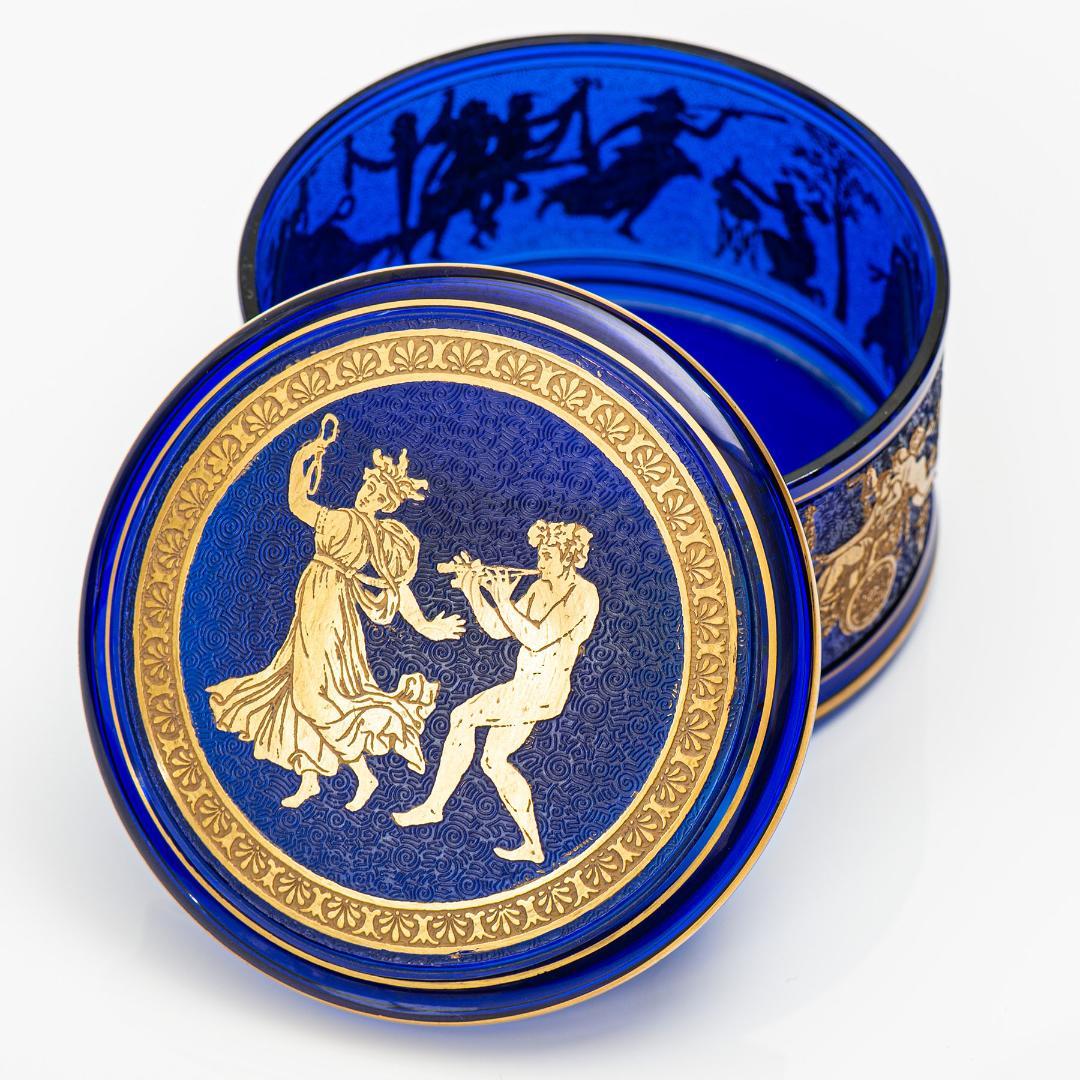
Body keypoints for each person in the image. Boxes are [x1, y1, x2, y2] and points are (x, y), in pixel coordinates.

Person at [208, 433, 463, 811]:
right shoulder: (353, 523)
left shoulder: (356, 526)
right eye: (368, 486)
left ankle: (365, 773)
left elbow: (300, 504)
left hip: (330, 614)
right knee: (291, 688)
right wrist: (304, 455)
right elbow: (299, 504)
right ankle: (309, 778)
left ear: (386, 504)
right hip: (312, 608)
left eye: (377, 494)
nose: (367, 494)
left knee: (314, 696)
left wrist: (424, 625)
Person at [394, 521, 599, 863]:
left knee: (463, 717)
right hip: (524, 688)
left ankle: (434, 806)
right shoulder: (540, 587)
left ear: (568, 557)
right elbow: (498, 629)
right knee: (493, 760)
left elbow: (536, 638)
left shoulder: (583, 594)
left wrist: (504, 599)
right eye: (540, 554)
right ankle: (533, 846)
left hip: (544, 691)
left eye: (548, 555)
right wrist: (473, 589)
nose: (540, 562)